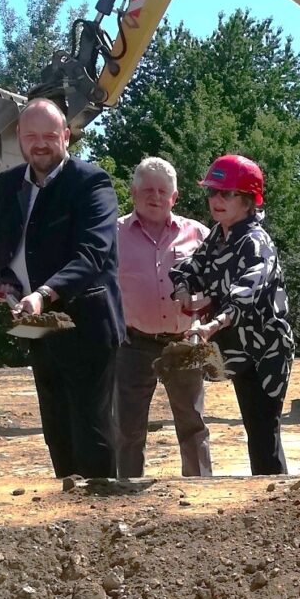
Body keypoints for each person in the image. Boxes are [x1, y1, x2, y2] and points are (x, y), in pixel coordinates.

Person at [0, 98, 125, 480]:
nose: (40, 144)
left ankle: (101, 507)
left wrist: (43, 294)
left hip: (87, 326)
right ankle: (68, 504)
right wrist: (2, 278)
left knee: (90, 430)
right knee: (57, 429)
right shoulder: (8, 184)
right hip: (37, 328)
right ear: (19, 137)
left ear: (66, 135)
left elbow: (92, 254)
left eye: (49, 135)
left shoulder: (91, 182)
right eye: (31, 136)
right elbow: (3, 245)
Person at [169, 155, 293, 476]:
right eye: (212, 192)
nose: (216, 200)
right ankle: (270, 492)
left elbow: (246, 291)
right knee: (255, 428)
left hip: (266, 351)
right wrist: (183, 290)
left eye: (226, 193)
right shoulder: (219, 235)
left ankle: (276, 496)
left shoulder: (256, 241)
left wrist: (212, 324)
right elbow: (192, 267)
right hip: (240, 348)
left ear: (249, 200)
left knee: (264, 432)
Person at [116, 157, 212, 478]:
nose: (155, 197)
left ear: (175, 197)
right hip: (132, 344)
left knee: (193, 425)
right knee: (128, 427)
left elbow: (219, 285)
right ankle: (128, 491)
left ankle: (201, 491)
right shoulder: (113, 234)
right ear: (133, 192)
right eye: (147, 190)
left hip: (184, 344)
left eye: (162, 191)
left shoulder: (199, 235)